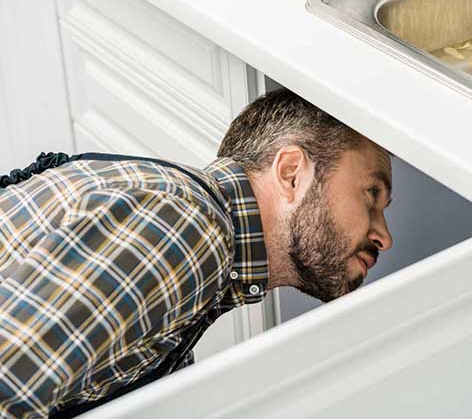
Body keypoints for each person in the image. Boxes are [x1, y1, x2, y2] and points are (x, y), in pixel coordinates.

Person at [0, 88, 393, 418]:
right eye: (372, 195)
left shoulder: (188, 225)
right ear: (292, 173)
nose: (384, 236)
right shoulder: (183, 228)